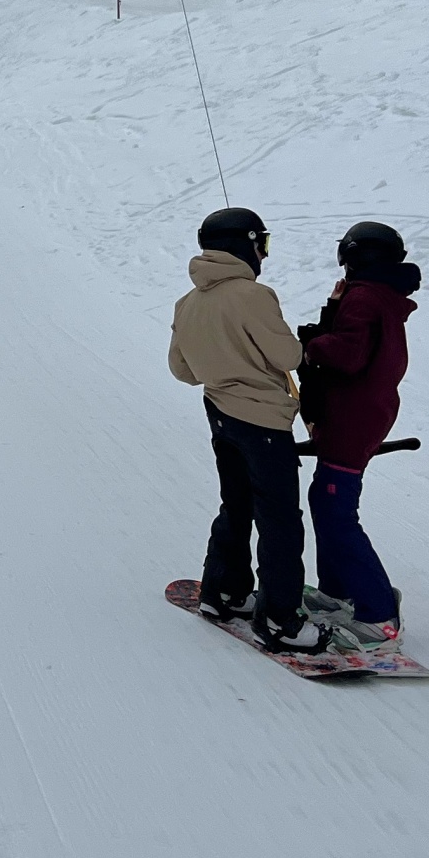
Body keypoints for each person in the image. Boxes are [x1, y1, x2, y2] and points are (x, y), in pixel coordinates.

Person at [168, 207, 307, 645]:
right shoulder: (253, 295)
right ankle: (280, 621)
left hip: (220, 413)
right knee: (279, 518)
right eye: (261, 243)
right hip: (263, 420)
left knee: (236, 504)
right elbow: (288, 358)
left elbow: (183, 370)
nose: (263, 252)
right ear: (244, 244)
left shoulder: (187, 302)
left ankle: (224, 591)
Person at [296, 221, 421, 653]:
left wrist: (313, 344)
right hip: (361, 412)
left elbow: (347, 356)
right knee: (325, 501)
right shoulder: (376, 296)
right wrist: (331, 315)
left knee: (335, 511)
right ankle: (337, 592)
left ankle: (379, 612)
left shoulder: (365, 298)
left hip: (354, 418)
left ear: (353, 256)